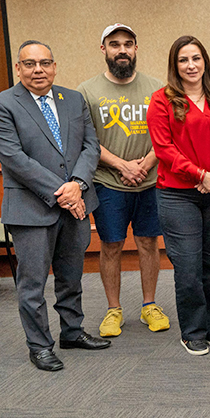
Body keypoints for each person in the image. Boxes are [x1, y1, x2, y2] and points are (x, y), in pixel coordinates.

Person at [0, 40, 110, 371]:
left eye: (44, 63)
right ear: (18, 68)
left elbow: (90, 146)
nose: (38, 70)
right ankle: (39, 345)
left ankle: (72, 332)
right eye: (30, 64)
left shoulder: (73, 99)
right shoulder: (1, 105)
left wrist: (79, 185)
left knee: (71, 276)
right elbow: (14, 159)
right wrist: (64, 192)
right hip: (31, 209)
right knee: (33, 283)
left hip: (76, 202)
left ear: (54, 66)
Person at [77, 23, 169, 338]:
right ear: (104, 49)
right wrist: (122, 166)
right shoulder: (87, 91)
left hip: (150, 180)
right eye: (115, 44)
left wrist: (145, 164)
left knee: (148, 242)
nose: (122, 50)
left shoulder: (157, 87)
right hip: (107, 182)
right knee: (111, 244)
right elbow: (85, 139)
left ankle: (149, 305)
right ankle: (113, 309)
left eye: (128, 44)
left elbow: (165, 135)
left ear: (136, 48)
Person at [147, 35, 210, 356]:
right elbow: (163, 149)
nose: (191, 65)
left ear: (205, 61)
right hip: (176, 195)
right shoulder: (161, 100)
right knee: (188, 265)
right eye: (183, 60)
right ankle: (193, 330)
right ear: (175, 65)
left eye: (196, 58)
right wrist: (200, 175)